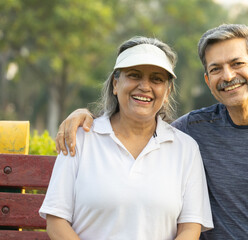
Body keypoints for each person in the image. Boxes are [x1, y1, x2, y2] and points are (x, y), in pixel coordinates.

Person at [56, 24, 248, 239]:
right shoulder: (192, 131)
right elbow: (140, 121)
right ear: (207, 80)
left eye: (237, 64)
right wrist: (85, 117)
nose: (228, 76)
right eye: (216, 69)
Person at [39, 36, 213, 240]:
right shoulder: (81, 138)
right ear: (115, 83)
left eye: (156, 79)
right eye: (134, 75)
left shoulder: (185, 148)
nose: (144, 86)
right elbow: (56, 221)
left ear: (167, 92)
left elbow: (189, 229)